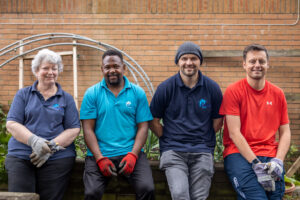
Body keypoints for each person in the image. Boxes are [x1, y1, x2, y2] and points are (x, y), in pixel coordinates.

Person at [149, 42, 223, 200]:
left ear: (200, 61)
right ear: (178, 61)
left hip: (202, 150)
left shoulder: (212, 88)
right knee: (180, 194)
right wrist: (169, 136)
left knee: (199, 197)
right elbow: (153, 120)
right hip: (173, 151)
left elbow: (217, 122)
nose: (189, 62)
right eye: (184, 58)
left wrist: (201, 136)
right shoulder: (165, 88)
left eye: (193, 58)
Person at [5, 49, 81, 200]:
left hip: (57, 158)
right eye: (45, 68)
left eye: (54, 68)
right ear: (36, 71)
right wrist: (35, 141)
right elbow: (12, 123)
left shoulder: (66, 98)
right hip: (21, 155)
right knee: (21, 197)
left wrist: (50, 147)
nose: (50, 72)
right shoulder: (23, 94)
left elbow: (73, 129)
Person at [80, 49, 155, 200]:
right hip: (99, 154)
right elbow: (88, 129)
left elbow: (143, 127)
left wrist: (133, 155)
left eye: (116, 66)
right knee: (91, 193)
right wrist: (100, 158)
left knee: (147, 189)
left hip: (130, 152)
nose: (112, 70)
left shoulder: (137, 93)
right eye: (107, 67)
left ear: (124, 67)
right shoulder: (92, 93)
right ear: (102, 69)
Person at [219, 44, 291, 199]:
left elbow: (285, 132)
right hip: (239, 155)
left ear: (268, 64)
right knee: (256, 198)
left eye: (261, 61)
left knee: (275, 197)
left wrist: (278, 161)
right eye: (252, 61)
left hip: (270, 156)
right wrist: (255, 163)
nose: (257, 65)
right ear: (244, 64)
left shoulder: (278, 94)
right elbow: (234, 133)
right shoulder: (233, 91)